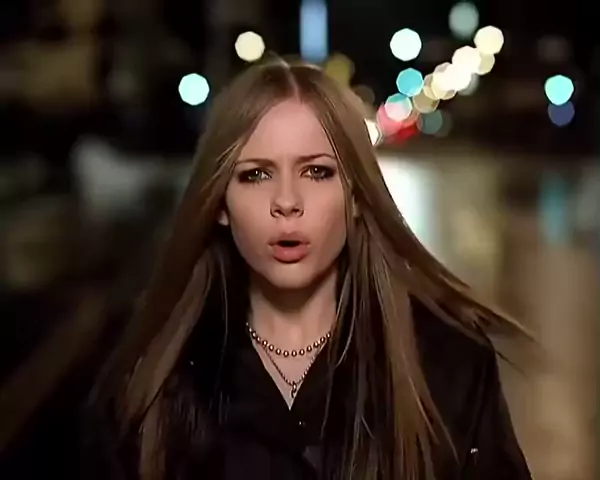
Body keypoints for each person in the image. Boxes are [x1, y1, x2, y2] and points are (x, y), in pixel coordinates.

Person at [2, 59, 532, 480]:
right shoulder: (149, 390)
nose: (287, 202)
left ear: (355, 196)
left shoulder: (447, 368)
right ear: (221, 203)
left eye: (317, 172)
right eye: (255, 175)